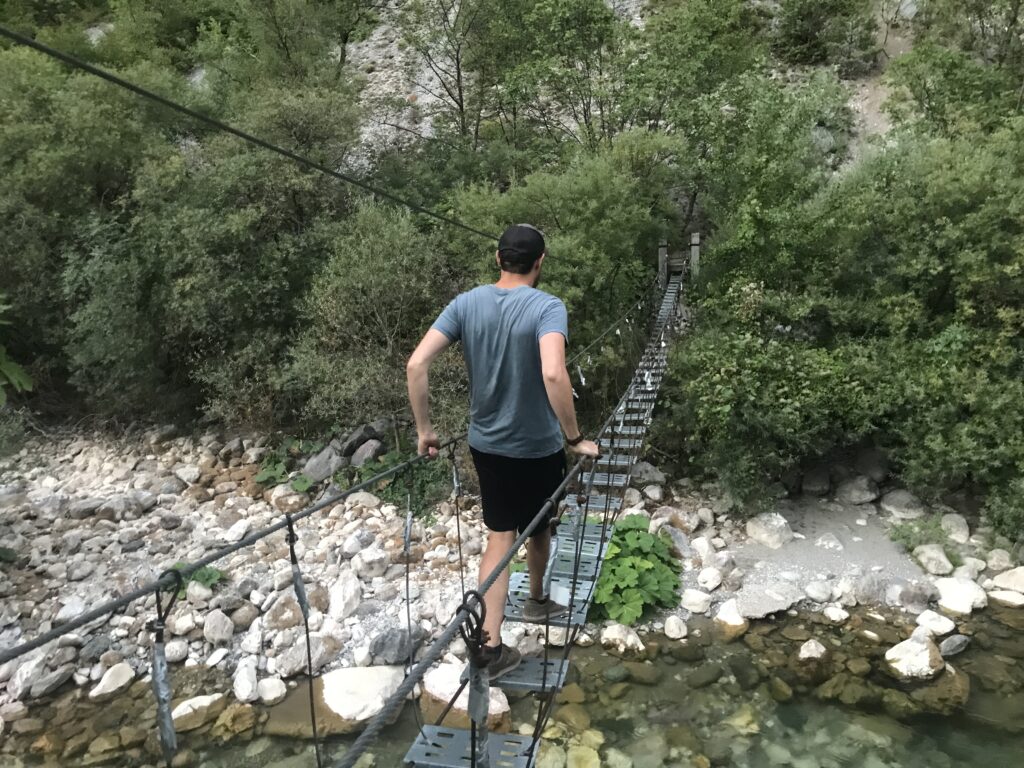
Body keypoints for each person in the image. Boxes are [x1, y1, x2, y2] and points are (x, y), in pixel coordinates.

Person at [406, 223, 600, 679]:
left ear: (498, 259)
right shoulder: (548, 307)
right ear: (540, 262)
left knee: (499, 535)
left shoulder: (464, 303)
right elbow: (554, 374)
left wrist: (424, 429)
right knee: (540, 525)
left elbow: (417, 363)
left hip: (486, 445)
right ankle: (535, 601)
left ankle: (489, 644)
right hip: (538, 448)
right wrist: (575, 439)